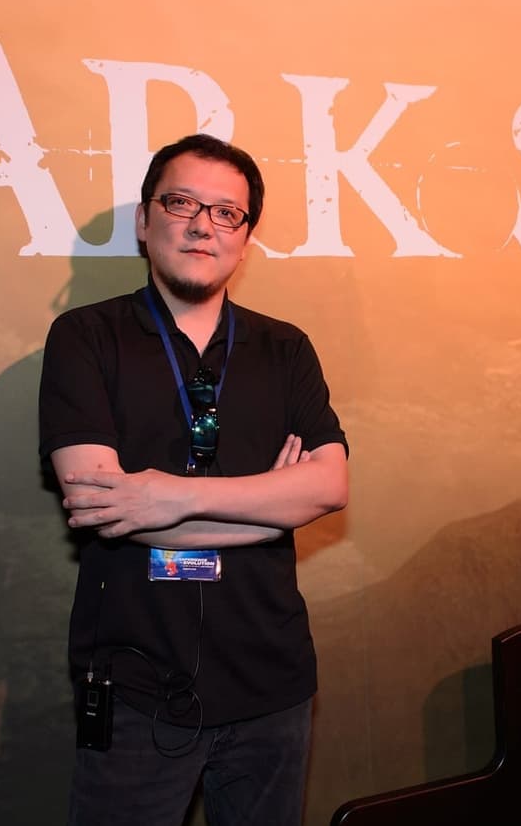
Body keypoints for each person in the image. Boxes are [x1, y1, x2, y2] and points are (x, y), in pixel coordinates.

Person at [38, 133, 349, 826]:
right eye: (180, 203)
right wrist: (269, 509)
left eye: (227, 212)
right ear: (144, 221)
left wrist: (166, 496)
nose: (203, 225)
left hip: (274, 686)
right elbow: (101, 504)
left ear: (245, 238)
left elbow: (328, 487)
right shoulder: (85, 338)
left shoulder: (286, 348)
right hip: (135, 686)